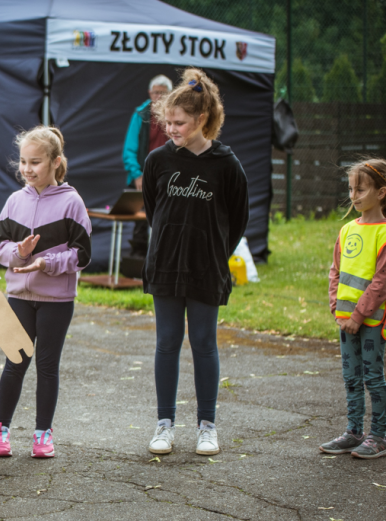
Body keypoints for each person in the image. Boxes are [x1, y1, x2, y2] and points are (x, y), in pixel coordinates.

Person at [142, 68, 249, 457]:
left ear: (201, 119)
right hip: (166, 267)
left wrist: (212, 251)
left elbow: (236, 220)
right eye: (167, 122)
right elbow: (155, 213)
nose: (171, 128)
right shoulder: (157, 161)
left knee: (204, 343)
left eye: (179, 122)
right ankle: (164, 424)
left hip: (207, 268)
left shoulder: (226, 164)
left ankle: (207, 426)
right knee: (167, 343)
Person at [0, 126, 92, 458]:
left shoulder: (72, 202)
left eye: (35, 162)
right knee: (15, 362)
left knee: (47, 366)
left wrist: (45, 264)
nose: (27, 169)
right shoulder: (13, 201)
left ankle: (42, 435)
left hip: (56, 301)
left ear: (55, 162)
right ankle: (0, 431)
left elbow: (83, 254)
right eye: (23, 161)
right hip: (18, 297)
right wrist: (19, 254)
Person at [321, 159, 386, 459]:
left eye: (360, 190)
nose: (353, 195)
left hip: (371, 321)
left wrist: (358, 315)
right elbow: (335, 271)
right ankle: (354, 432)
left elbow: (383, 281)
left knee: (373, 377)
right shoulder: (347, 230)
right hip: (345, 321)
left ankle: (379, 437)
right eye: (351, 189)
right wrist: (335, 307)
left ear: (381, 192)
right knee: (350, 377)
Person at [121, 74, 173, 270]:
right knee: (141, 222)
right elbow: (129, 149)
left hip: (168, 177)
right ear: (150, 93)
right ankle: (139, 262)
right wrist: (137, 174)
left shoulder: (175, 115)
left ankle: (164, 259)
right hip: (143, 177)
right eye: (156, 92)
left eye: (163, 93)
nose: (159, 96)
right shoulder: (141, 115)